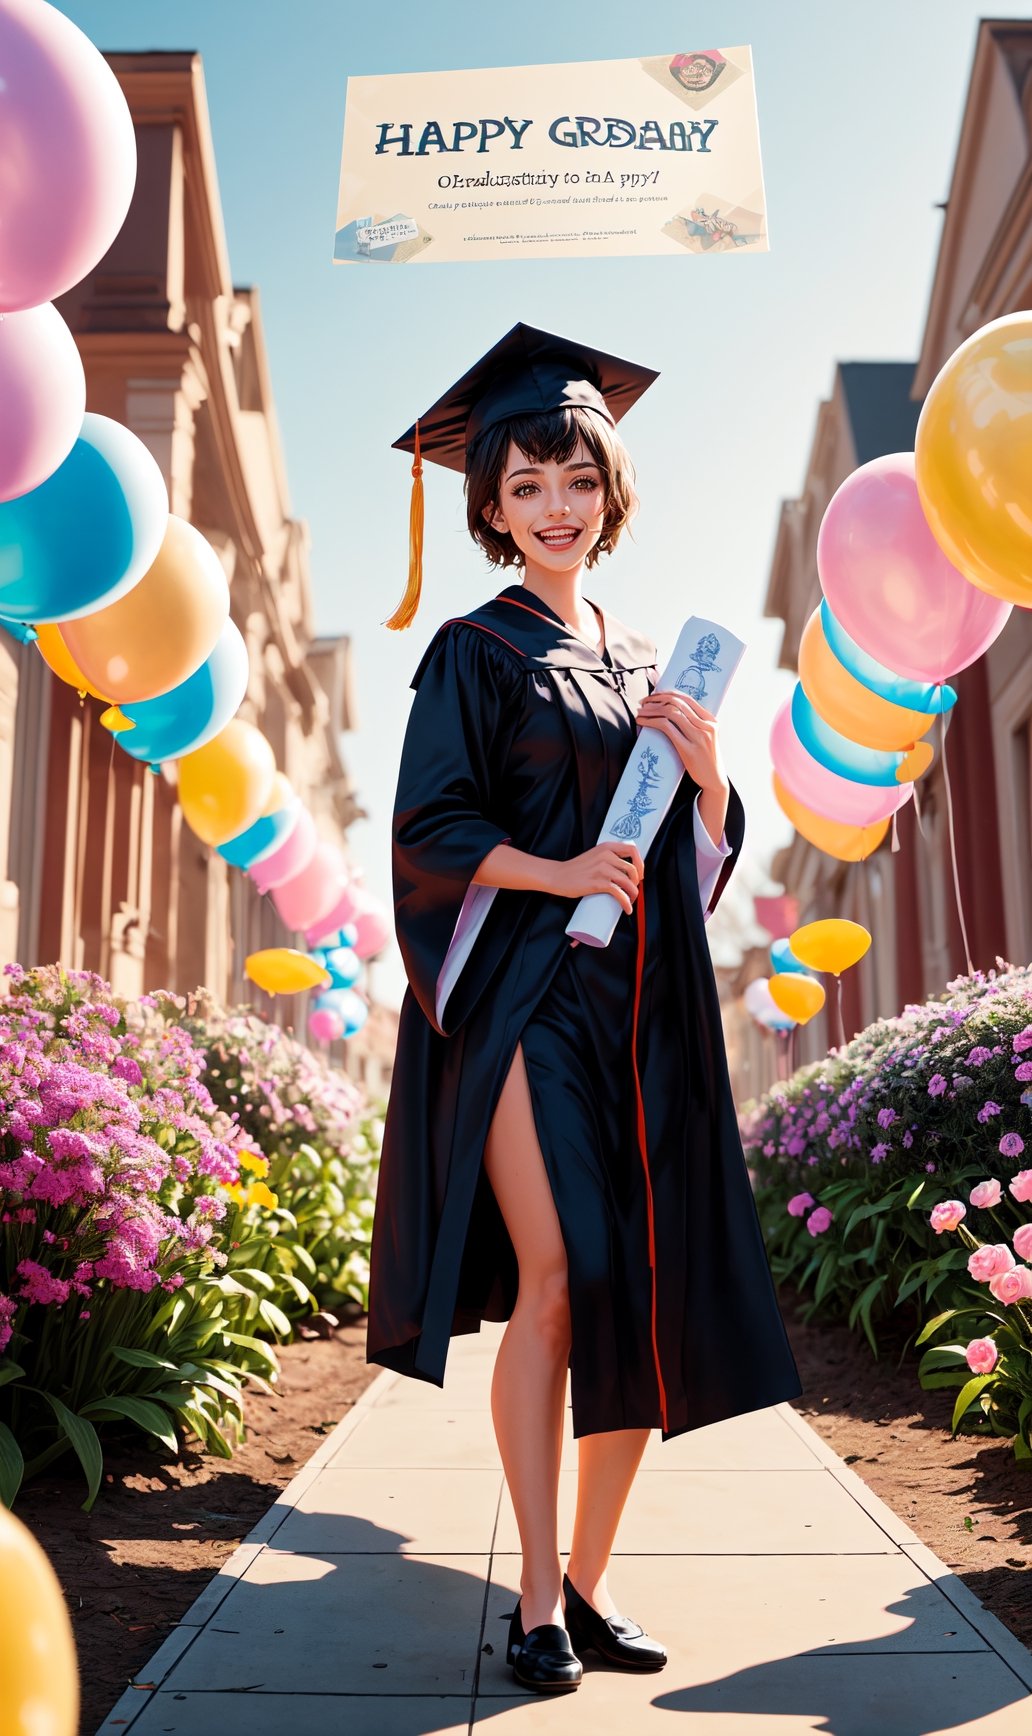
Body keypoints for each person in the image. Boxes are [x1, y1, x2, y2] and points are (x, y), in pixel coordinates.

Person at [366, 322, 802, 1695]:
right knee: (557, 1275)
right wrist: (554, 871)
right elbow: (432, 825)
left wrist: (712, 776)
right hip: (520, 1000)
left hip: (638, 1008)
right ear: (491, 508)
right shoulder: (472, 651)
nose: (555, 507)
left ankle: (587, 1589)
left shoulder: (644, 656)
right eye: (526, 486)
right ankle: (534, 1610)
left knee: (634, 1288)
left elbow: (684, 845)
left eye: (575, 480)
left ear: (609, 491)